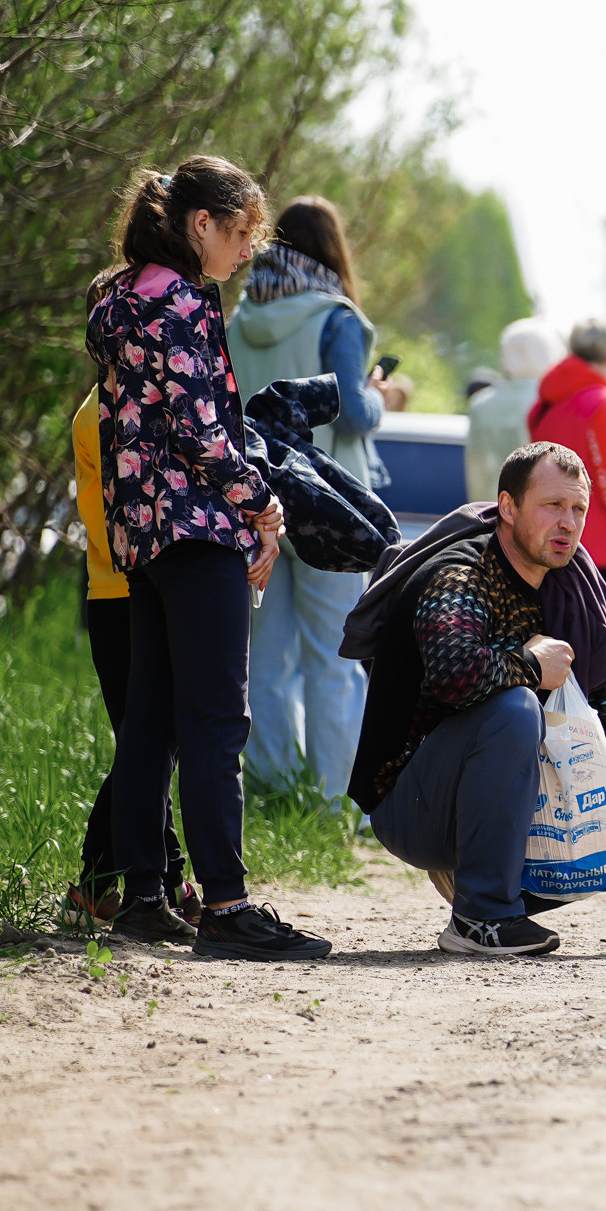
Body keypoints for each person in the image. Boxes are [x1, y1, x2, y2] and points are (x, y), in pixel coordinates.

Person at [83, 158, 331, 961]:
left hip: (142, 538)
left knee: (151, 722)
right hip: (198, 530)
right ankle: (226, 906)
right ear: (203, 225)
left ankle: (145, 898)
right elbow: (201, 432)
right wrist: (262, 503)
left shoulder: (119, 298)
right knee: (218, 719)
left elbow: (139, 425)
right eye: (241, 232)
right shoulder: (182, 301)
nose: (246, 250)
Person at [345, 443, 606, 956]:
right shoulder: (461, 571)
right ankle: (481, 914)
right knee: (513, 708)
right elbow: (455, 676)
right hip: (420, 804)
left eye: (578, 509)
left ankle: (493, 885)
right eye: (552, 505)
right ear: (509, 507)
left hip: (528, 796)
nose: (568, 523)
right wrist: (532, 666)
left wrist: (579, 778)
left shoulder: (574, 583)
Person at [224, 196, 389, 800]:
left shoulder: (237, 318)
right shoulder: (335, 318)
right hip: (325, 507)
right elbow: (350, 415)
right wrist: (378, 393)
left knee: (264, 659)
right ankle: (334, 799)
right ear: (332, 248)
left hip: (255, 499)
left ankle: (270, 782)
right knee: (334, 657)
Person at [61, 387, 195, 932]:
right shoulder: (105, 411)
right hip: (124, 593)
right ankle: (105, 882)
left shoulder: (136, 395)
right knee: (148, 744)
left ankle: (162, 881)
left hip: (130, 590)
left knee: (149, 746)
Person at [529, 314, 606, 610]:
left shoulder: (546, 404)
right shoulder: (605, 404)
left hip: (548, 542)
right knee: (601, 649)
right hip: (599, 551)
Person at [468, 317, 567, 502]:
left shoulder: (480, 404)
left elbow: (476, 471)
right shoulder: (549, 402)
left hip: (490, 509)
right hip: (541, 512)